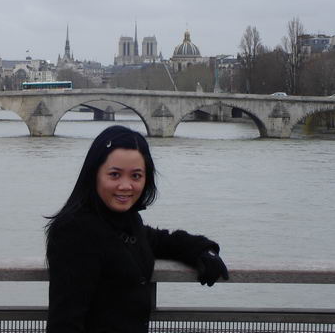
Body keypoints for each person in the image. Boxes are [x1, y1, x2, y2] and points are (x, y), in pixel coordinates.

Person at [45, 125, 228, 333]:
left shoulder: (126, 220)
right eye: (114, 175)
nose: (126, 186)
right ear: (94, 174)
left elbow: (159, 240)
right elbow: (64, 323)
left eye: (136, 176)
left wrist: (202, 250)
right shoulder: (73, 232)